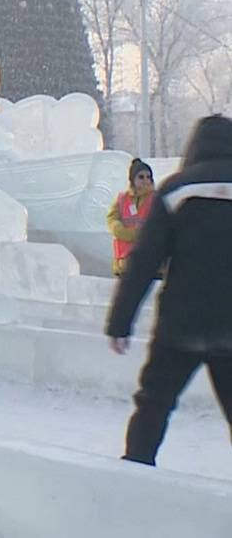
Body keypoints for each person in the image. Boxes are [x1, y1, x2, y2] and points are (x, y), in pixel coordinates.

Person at [106, 115, 232, 467]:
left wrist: (120, 322)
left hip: (180, 324)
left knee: (154, 403)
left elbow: (144, 261)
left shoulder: (176, 190)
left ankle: (136, 471)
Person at [107, 158, 156, 277]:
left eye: (148, 177)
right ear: (132, 179)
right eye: (141, 177)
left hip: (150, 263)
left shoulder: (156, 199)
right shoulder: (122, 199)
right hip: (125, 264)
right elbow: (112, 219)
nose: (145, 180)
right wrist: (119, 229)